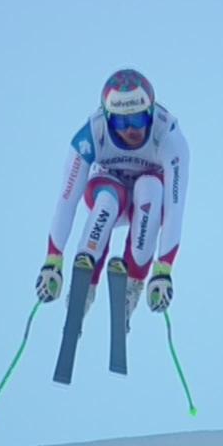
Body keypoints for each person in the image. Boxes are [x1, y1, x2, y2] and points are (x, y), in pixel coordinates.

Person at [35, 68, 190, 321]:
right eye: (120, 122)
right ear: (107, 118)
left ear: (150, 114)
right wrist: (53, 258)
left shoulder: (168, 137)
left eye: (138, 120)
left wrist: (163, 269)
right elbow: (66, 201)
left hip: (146, 201)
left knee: (150, 187)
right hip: (108, 191)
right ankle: (84, 286)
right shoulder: (92, 134)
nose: (130, 130)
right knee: (108, 199)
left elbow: (175, 207)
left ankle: (131, 287)